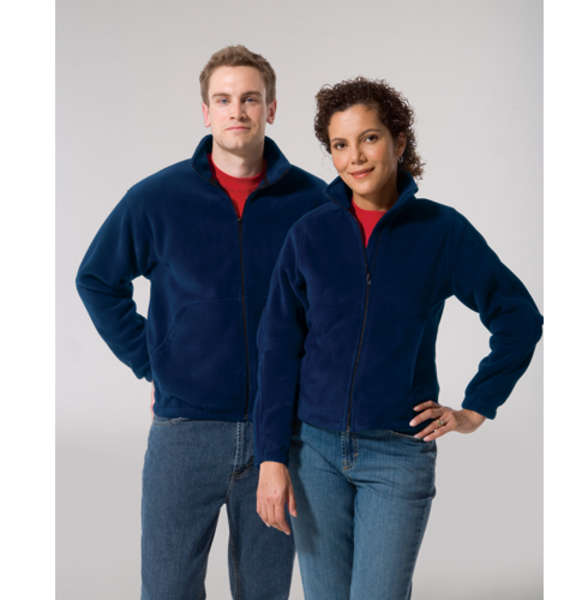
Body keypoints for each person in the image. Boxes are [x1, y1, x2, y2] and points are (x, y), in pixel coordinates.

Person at [254, 77, 543, 599]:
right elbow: (277, 350)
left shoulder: (441, 232)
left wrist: (476, 408)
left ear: (399, 141)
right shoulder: (310, 234)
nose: (355, 157)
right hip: (313, 452)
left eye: (369, 138)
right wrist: (271, 456)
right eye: (340, 144)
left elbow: (518, 317)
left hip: (397, 454)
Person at [76, 45, 325, 600]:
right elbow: (96, 279)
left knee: (264, 592)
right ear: (206, 112)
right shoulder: (157, 199)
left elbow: (338, 307)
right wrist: (152, 360)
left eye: (250, 99)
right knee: (167, 589)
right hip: (184, 430)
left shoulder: (312, 202)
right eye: (224, 99)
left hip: (279, 434)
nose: (237, 110)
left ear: (271, 108)